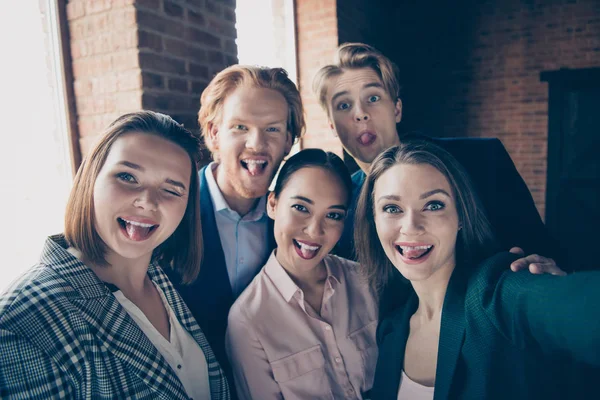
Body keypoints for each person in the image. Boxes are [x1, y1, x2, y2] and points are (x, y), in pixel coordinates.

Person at [0, 111, 230, 399]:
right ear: (91, 180)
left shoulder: (162, 277)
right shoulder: (23, 320)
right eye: (127, 177)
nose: (147, 201)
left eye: (171, 189)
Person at [354, 141, 600, 400]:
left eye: (434, 205)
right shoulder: (390, 329)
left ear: (461, 216)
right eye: (392, 209)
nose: (411, 226)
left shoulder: (496, 294)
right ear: (373, 221)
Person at [313, 42, 562, 277]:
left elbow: (542, 251)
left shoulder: (483, 160)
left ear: (396, 109)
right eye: (344, 105)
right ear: (332, 126)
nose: (361, 114)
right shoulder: (341, 205)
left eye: (373, 98)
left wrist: (544, 271)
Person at [166, 65, 305, 378]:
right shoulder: (170, 212)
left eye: (272, 129)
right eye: (240, 127)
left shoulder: (295, 221)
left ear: (288, 141)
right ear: (214, 134)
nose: (256, 143)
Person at [226, 149, 378, 399]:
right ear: (272, 204)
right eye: (301, 207)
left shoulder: (366, 282)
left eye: (333, 215)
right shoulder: (248, 321)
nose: (314, 230)